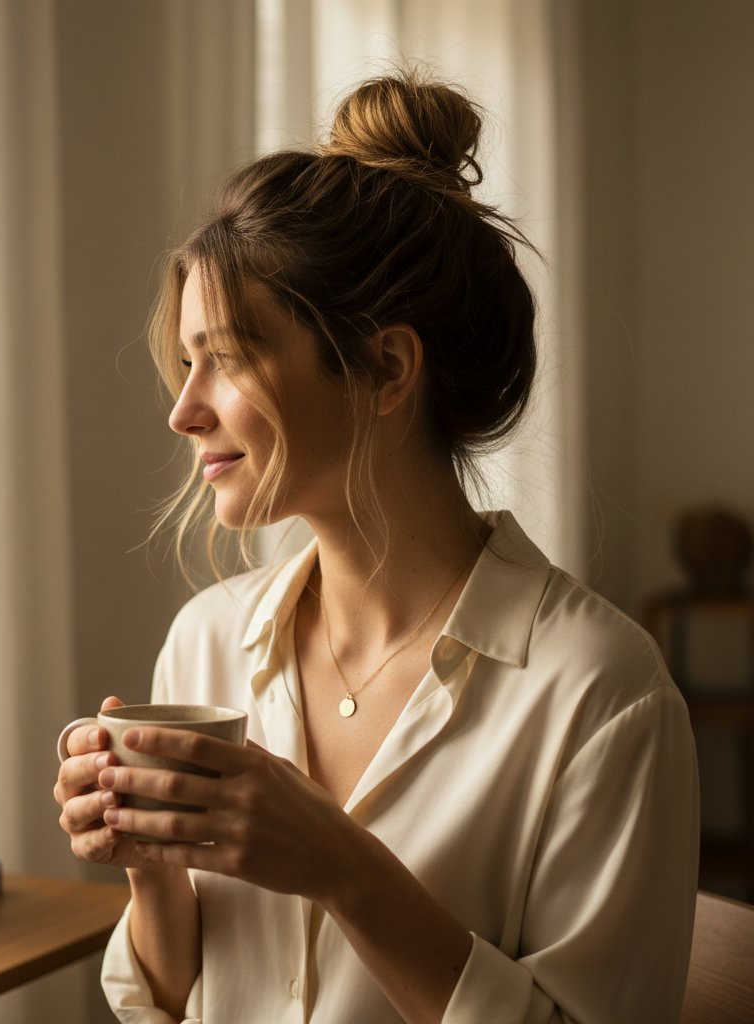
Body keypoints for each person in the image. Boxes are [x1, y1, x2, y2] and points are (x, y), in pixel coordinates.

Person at [54, 68, 699, 1024]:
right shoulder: (206, 641)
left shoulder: (602, 695)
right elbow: (172, 1004)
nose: (185, 410)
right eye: (187, 363)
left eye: (226, 358)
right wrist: (151, 866)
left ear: (387, 369)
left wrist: (343, 869)